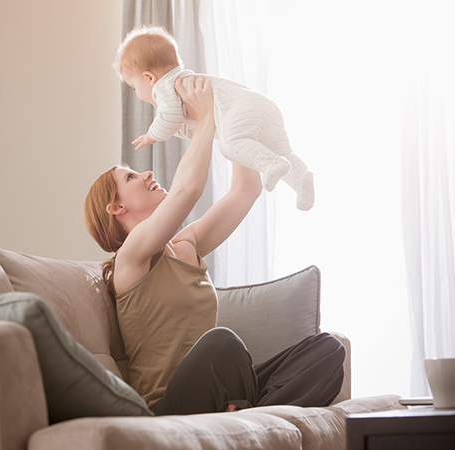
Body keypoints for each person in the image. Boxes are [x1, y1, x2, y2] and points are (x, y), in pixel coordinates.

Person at [85, 75, 344, 415]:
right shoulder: (131, 258)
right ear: (117, 208)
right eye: (131, 177)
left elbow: (245, 190)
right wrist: (205, 117)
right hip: (169, 409)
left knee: (328, 351)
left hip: (222, 391)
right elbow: (187, 190)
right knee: (222, 344)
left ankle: (248, 417)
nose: (146, 174)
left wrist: (226, 117)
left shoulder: (186, 245)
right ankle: (247, 417)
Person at [114, 25, 315, 211]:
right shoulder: (184, 81)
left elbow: (170, 117)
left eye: (134, 87)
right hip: (261, 107)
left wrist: (152, 134)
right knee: (282, 149)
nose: (136, 93)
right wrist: (173, 125)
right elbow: (193, 128)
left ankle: (272, 163)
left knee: (230, 145)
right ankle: (301, 180)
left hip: (245, 110)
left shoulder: (165, 86)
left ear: (149, 78)